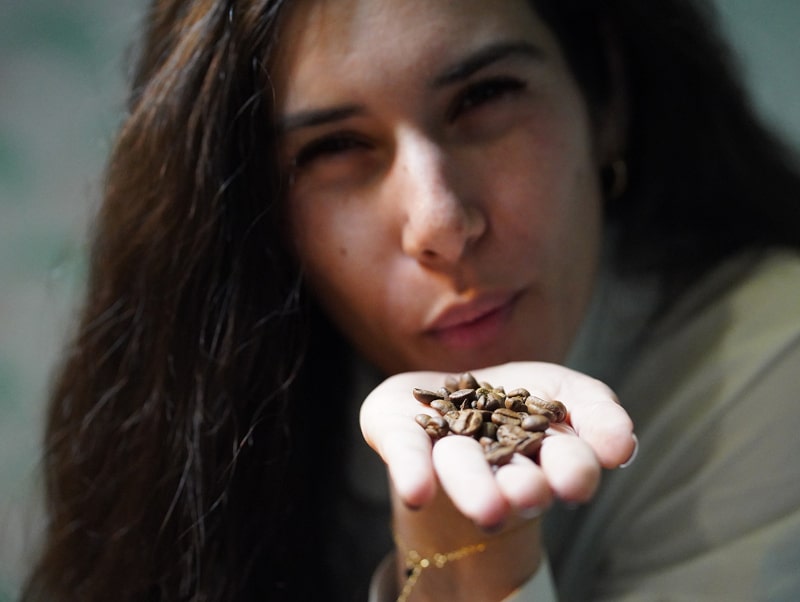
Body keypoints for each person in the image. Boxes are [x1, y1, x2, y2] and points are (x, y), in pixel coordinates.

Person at [21, 0, 800, 600]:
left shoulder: (775, 362)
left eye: (484, 97)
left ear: (606, 101)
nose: (441, 223)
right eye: (334, 148)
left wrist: (471, 559)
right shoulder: (221, 413)